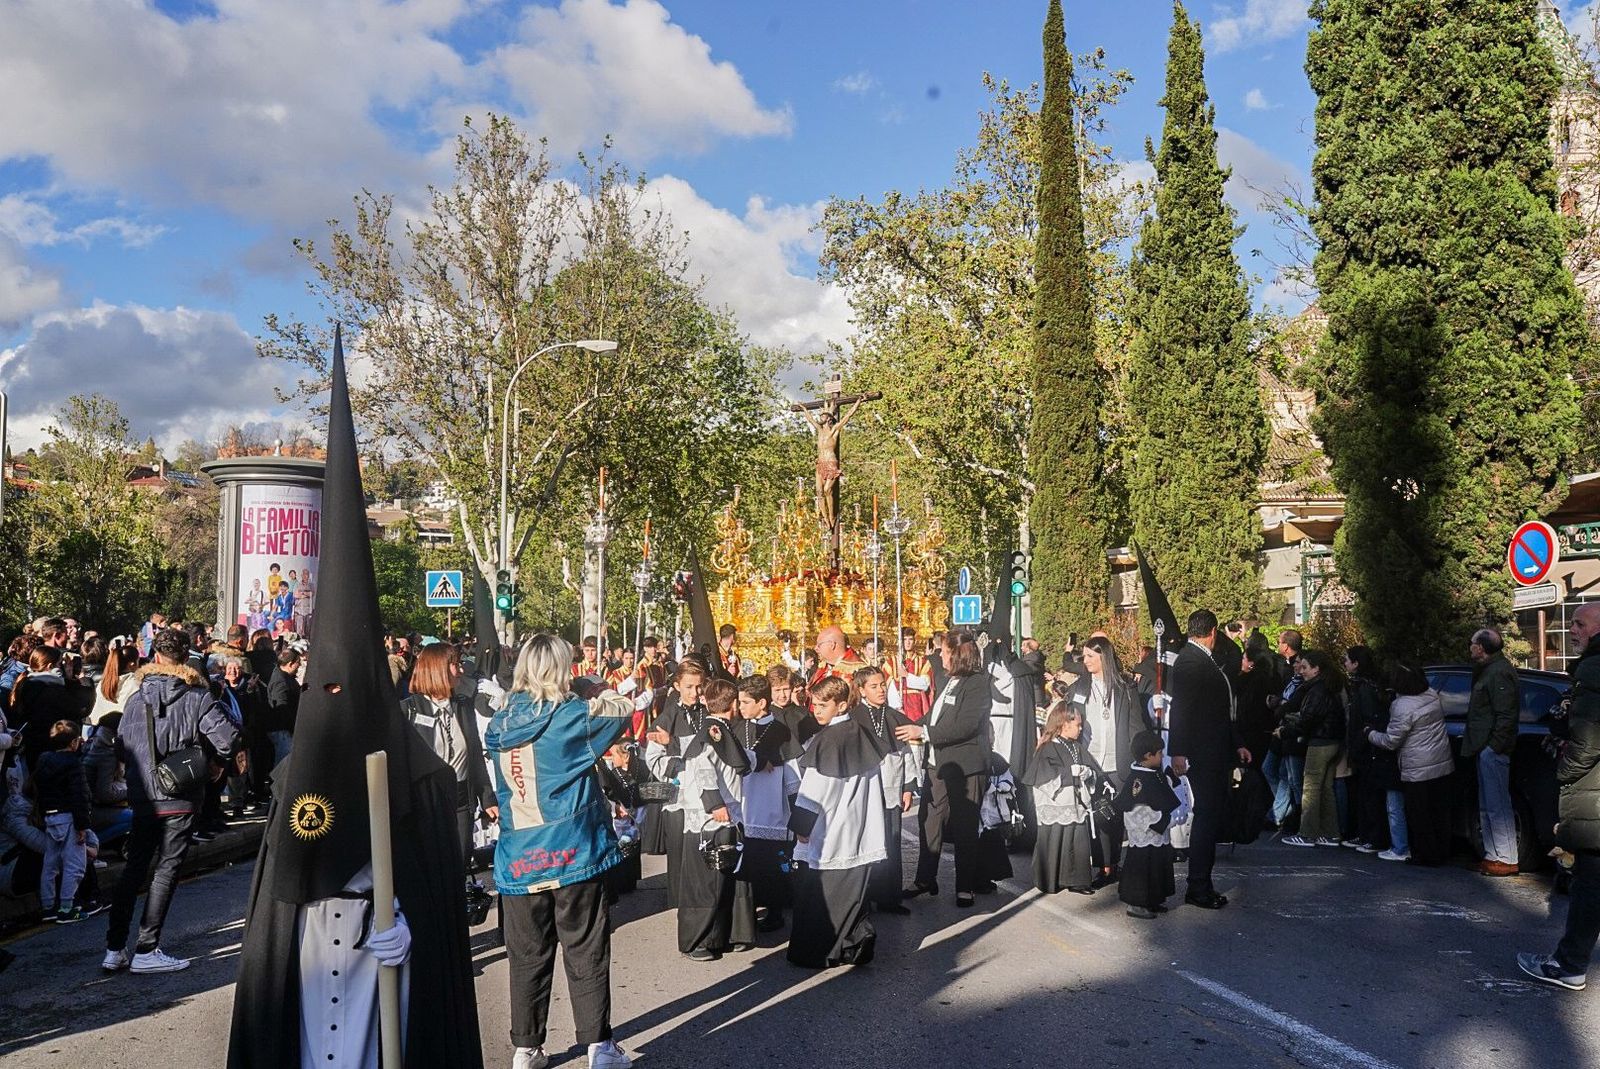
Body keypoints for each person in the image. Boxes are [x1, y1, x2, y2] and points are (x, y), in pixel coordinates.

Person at [485, 634, 634, 1068]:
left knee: (527, 956)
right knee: (585, 949)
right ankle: (598, 1046)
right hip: (572, 852)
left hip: (519, 855)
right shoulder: (571, 715)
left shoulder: (501, 722)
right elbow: (623, 709)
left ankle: (526, 1047)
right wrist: (592, 684)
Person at [104, 628, 241, 974]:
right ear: (186, 658)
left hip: (143, 795)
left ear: (155, 656)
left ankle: (114, 948)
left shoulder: (136, 699)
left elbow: (121, 747)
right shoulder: (198, 696)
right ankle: (147, 948)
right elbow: (228, 738)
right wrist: (215, 764)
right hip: (181, 793)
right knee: (166, 869)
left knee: (134, 869)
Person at [1520, 602, 1600, 991]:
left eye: (1580, 624)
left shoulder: (1593, 669)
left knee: (1589, 885)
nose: (1572, 630)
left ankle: (1568, 965)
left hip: (1594, 796)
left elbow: (1587, 740)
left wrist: (1564, 772)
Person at [787, 674, 888, 969]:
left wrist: (801, 828)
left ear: (841, 705)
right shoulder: (860, 733)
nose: (816, 710)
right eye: (814, 704)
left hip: (830, 831)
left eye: (823, 705)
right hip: (859, 829)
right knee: (851, 895)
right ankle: (854, 942)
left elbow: (814, 791)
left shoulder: (828, 740)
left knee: (822, 899)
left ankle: (824, 951)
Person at [901, 630, 992, 908]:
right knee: (930, 820)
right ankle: (925, 879)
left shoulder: (977, 684)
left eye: (943, 650)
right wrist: (910, 726)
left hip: (966, 766)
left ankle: (965, 886)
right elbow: (934, 717)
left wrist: (924, 732)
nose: (939, 655)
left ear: (956, 653)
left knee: (965, 825)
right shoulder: (948, 680)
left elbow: (965, 725)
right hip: (937, 764)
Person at [1166, 611, 1249, 910]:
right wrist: (1178, 751)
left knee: (1211, 815)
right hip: (1203, 752)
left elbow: (1221, 710)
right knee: (1206, 815)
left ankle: (1202, 883)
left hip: (1214, 749)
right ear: (1213, 632)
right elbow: (1181, 709)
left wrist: (1237, 743)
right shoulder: (1191, 661)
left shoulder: (1202, 659)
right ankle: (1198, 886)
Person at [401, 643, 498, 882]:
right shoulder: (407, 710)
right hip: (425, 803)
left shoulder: (463, 707)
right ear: (438, 668)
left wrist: (487, 799)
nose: (461, 670)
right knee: (429, 870)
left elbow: (475, 756)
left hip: (461, 800)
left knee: (458, 865)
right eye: (455, 664)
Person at [1070, 635, 1152, 886]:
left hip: (1119, 762)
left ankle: (1115, 863)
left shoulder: (1125, 687)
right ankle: (1103, 868)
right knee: (1097, 818)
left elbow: (1135, 725)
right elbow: (1069, 722)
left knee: (1115, 817)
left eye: (1090, 656)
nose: (1085, 661)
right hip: (1091, 762)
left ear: (1103, 657)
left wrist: (1142, 757)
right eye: (1084, 656)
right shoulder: (1080, 688)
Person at [732, 675, 802, 932]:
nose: (740, 707)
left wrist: (797, 815)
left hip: (773, 810)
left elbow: (793, 776)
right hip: (744, 807)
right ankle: (746, 915)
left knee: (773, 865)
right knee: (748, 864)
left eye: (745, 702)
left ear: (761, 703)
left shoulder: (781, 731)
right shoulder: (738, 729)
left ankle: (775, 913)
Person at [1367, 664, 1454, 865]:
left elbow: (1391, 741)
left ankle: (1425, 856)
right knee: (1438, 812)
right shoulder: (1431, 695)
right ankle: (1442, 851)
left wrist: (1370, 734)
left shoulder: (1402, 705)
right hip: (1441, 760)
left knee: (1419, 814)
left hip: (1417, 767)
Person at [850, 665, 917, 915]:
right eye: (874, 686)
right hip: (865, 792)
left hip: (891, 788)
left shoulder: (895, 716)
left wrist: (908, 787)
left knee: (891, 842)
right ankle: (864, 899)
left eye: (882, 685)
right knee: (866, 844)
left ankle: (890, 898)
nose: (880, 690)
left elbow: (907, 753)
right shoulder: (853, 718)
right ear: (861, 690)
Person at [1022, 702, 1107, 895]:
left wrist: (1088, 773)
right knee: (1056, 840)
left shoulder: (1076, 747)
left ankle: (1078, 881)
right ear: (1064, 724)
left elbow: (1092, 769)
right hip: (1057, 804)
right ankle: (1050, 880)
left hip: (1076, 804)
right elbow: (1043, 777)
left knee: (1077, 840)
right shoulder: (1048, 747)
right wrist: (1071, 773)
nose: (1080, 729)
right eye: (1078, 724)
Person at [1465, 627, 1520, 876]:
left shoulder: (1499, 672)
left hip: (1492, 749)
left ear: (1481, 647)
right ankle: (1493, 855)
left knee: (1497, 804)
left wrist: (1493, 747)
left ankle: (1506, 858)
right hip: (1484, 747)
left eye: (1472, 643)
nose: (1470, 647)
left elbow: (1506, 714)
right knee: (1487, 805)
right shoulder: (1488, 670)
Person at [1280, 650, 1347, 849]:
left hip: (1320, 741)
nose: (1301, 671)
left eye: (1305, 667)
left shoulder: (1317, 690)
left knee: (1310, 788)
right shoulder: (1330, 686)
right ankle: (1330, 832)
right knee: (1326, 788)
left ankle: (1307, 833)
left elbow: (1308, 719)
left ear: (1317, 669)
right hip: (1333, 740)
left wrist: (1285, 731)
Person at [1114, 730, 1180, 920]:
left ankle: (1153, 899)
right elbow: (1135, 808)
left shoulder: (1154, 773)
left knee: (1157, 865)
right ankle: (1136, 903)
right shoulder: (1138, 780)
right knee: (1142, 868)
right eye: (1159, 753)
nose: (1162, 756)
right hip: (1145, 832)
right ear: (1147, 756)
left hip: (1158, 833)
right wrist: (1157, 820)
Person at [33, 719, 91, 922]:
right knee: (75, 864)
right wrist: (82, 825)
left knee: (50, 864)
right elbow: (79, 795)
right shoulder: (74, 763)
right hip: (69, 817)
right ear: (74, 742)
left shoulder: (43, 760)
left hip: (50, 816)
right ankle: (67, 908)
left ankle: (48, 906)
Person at [1344, 645, 1394, 854]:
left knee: (1370, 794)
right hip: (1366, 744)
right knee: (1365, 793)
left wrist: (1361, 740)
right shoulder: (1367, 685)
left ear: (1356, 663)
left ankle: (1374, 837)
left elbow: (1367, 718)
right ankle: (1365, 833)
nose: (1345, 664)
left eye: (1347, 660)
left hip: (1368, 746)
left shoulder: (1365, 688)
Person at [265, 647, 302, 769]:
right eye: (298, 663)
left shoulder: (285, 677)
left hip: (284, 729)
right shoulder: (281, 681)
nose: (299, 666)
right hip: (282, 730)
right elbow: (281, 708)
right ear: (290, 664)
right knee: (283, 766)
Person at [91, 644, 139, 726]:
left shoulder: (103, 682)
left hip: (99, 727)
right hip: (122, 728)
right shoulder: (135, 683)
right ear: (132, 664)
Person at [894, 627, 933, 721]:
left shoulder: (923, 662)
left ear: (914, 641)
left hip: (916, 704)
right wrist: (897, 706)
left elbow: (925, 684)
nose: (907, 642)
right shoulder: (892, 662)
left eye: (910, 639)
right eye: (904, 639)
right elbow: (889, 687)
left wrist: (907, 676)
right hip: (897, 703)